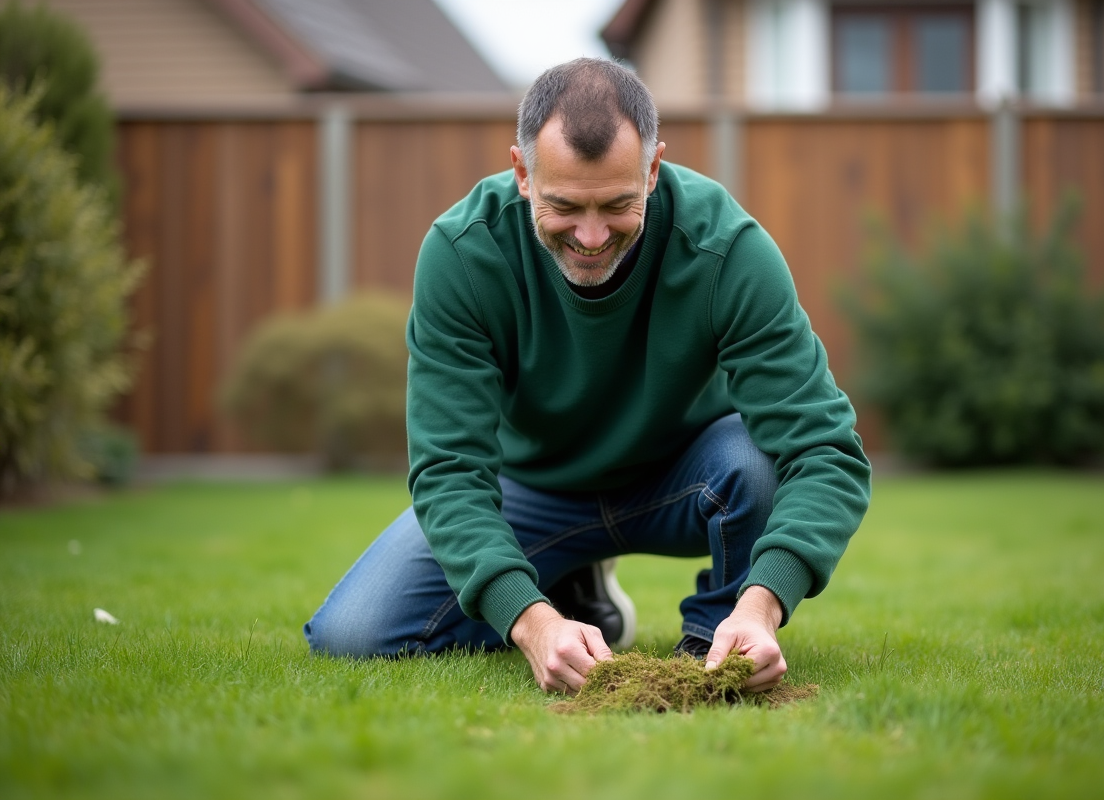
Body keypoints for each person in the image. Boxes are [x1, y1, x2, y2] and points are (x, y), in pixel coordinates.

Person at [304, 58, 871, 694]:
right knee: (351, 634)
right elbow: (448, 471)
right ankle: (570, 592)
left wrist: (764, 601)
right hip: (534, 491)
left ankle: (722, 637)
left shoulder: (727, 250)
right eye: (565, 205)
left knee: (757, 456)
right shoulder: (463, 254)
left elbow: (826, 452)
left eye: (619, 205)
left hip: (686, 479)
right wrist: (531, 620)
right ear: (522, 172)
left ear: (653, 169)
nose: (593, 235)